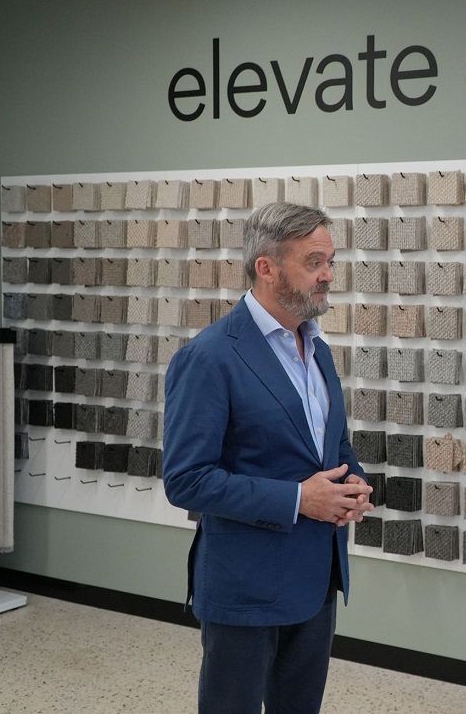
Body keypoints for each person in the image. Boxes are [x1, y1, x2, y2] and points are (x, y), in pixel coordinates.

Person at [163, 202, 374, 714]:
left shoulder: (318, 349)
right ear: (266, 267)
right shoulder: (209, 356)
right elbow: (187, 480)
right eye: (314, 262)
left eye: (331, 261)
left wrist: (355, 485)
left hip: (317, 579)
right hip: (245, 587)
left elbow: (333, 447)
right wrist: (300, 499)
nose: (328, 276)